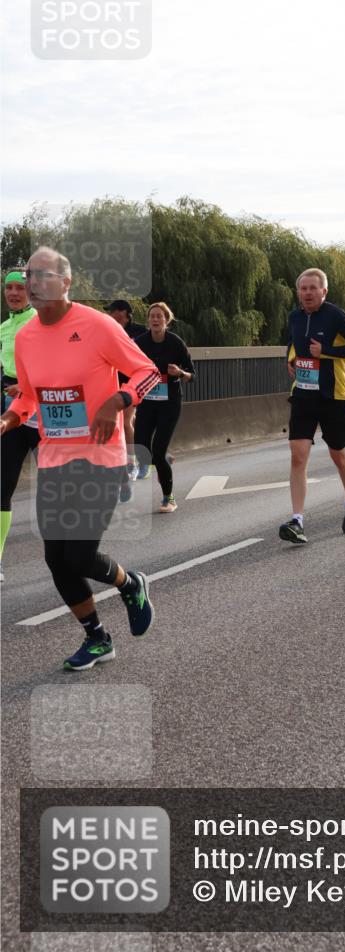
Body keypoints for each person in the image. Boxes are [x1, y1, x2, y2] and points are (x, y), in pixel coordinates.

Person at [0, 247, 161, 670]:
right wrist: (10, 418)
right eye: (29, 276)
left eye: (43, 275)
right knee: (56, 559)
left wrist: (118, 399)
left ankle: (130, 584)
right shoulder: (26, 337)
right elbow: (32, 397)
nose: (33, 283)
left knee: (79, 555)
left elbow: (147, 372)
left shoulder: (98, 326)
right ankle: (97, 637)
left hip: (100, 457)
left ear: (66, 283)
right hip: (54, 459)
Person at [279, 268, 345, 544]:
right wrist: (290, 359)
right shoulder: (294, 316)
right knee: (297, 455)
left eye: (312, 288)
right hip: (303, 394)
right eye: (303, 288)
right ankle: (297, 520)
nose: (307, 293)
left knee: (338, 455)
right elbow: (294, 341)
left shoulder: (335, 315)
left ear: (324, 291)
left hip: (333, 396)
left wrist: (326, 351)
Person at [133, 302, 195, 512]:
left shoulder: (175, 343)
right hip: (147, 402)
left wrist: (179, 373)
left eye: (160, 316)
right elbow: (127, 365)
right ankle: (165, 458)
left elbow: (191, 375)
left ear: (166, 320)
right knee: (141, 448)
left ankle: (168, 498)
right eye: (152, 316)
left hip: (170, 403)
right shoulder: (140, 342)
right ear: (148, 320)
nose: (156, 319)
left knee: (157, 452)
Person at [0, 270, 39, 581]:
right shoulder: (3, 328)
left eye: (19, 288)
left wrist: (29, 387)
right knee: (2, 486)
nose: (13, 293)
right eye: (8, 287)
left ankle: (77, 555)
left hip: (43, 408)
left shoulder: (41, 322)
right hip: (12, 407)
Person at [105, 299, 146, 489]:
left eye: (112, 311)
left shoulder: (139, 331)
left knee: (126, 422)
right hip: (110, 383)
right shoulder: (107, 330)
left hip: (132, 384)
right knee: (127, 424)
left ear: (123, 313)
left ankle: (131, 462)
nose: (110, 314)